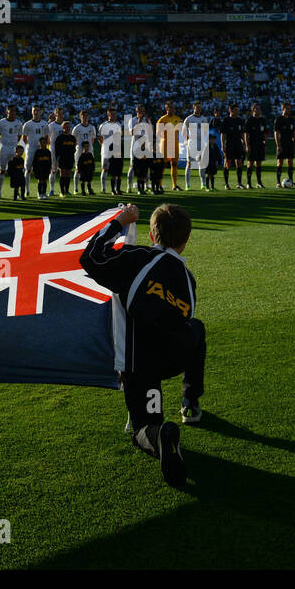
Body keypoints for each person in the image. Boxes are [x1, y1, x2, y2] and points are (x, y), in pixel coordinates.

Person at [79, 203, 205, 489]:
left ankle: (158, 435)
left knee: (144, 427)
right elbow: (185, 317)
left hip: (138, 365)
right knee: (197, 330)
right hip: (173, 357)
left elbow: (90, 257)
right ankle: (190, 404)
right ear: (185, 241)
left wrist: (120, 222)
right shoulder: (187, 277)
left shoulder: (134, 257)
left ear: (151, 234)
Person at [0, 104, 22, 200]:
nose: (13, 113)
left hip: (13, 148)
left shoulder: (19, 123)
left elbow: (19, 136)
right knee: (2, 170)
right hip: (3, 148)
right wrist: (3, 144)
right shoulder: (1, 122)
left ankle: (16, 192)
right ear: (7, 112)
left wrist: (13, 144)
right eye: (11, 111)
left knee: (16, 171)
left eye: (14, 111)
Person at [221, 104, 246, 189]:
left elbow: (242, 133)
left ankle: (239, 183)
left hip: (238, 144)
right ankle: (226, 184)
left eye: (238, 110)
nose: (237, 111)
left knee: (239, 163)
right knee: (227, 163)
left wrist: (244, 143)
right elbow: (223, 134)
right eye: (236, 110)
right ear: (231, 110)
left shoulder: (240, 120)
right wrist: (223, 145)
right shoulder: (226, 120)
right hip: (229, 144)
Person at [55, 120, 78, 196]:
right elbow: (57, 149)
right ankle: (62, 192)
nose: (67, 128)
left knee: (68, 174)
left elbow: (74, 147)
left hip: (70, 158)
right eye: (66, 127)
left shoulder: (72, 138)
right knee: (63, 174)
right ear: (62, 128)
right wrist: (57, 159)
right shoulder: (60, 138)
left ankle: (67, 190)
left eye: (69, 127)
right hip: (62, 158)